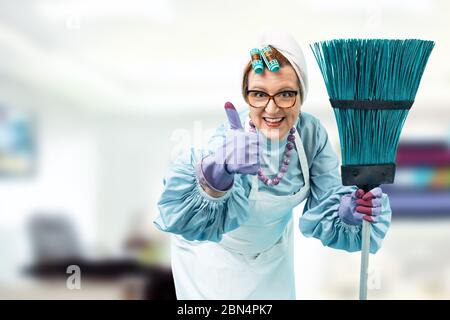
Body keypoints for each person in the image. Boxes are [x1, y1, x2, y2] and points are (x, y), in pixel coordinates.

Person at [154, 31, 392, 299]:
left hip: (272, 254)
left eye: (286, 94)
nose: (271, 109)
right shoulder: (232, 137)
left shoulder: (311, 135)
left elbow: (330, 199)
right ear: (246, 96)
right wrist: (218, 171)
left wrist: (348, 212)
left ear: (301, 96)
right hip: (214, 254)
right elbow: (179, 213)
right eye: (258, 94)